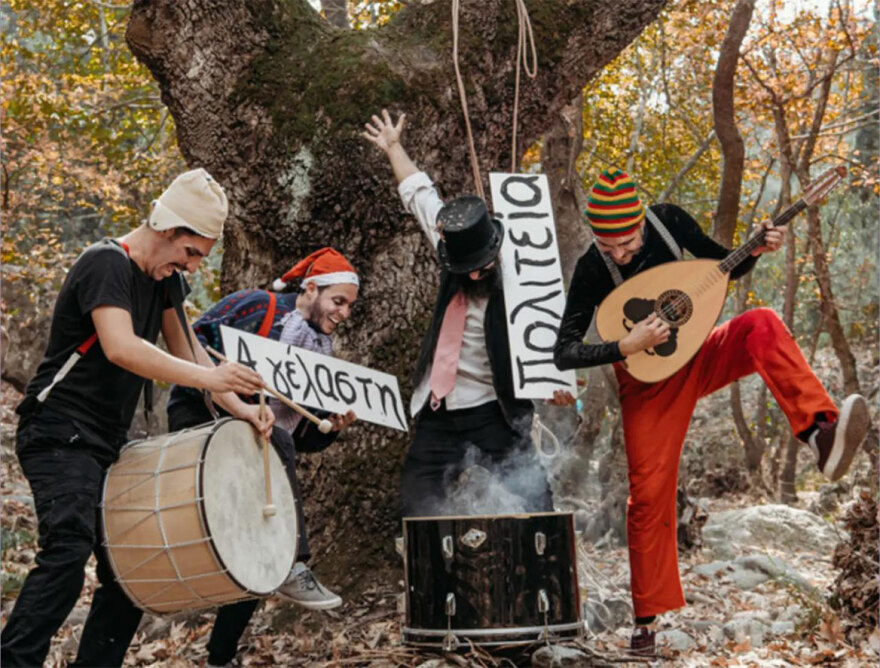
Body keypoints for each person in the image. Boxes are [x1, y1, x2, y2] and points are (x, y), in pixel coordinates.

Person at [553, 167, 870, 655]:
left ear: (641, 220)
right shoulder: (593, 269)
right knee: (648, 496)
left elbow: (721, 266)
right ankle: (646, 625)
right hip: (646, 386)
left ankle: (821, 434)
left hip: (698, 353)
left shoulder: (667, 223)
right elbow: (565, 350)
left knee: (760, 323)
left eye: (627, 241)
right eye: (607, 244)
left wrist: (757, 249)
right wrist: (623, 344)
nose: (618, 252)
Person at [1, 168, 273, 667]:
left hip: (108, 442)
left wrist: (242, 407)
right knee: (67, 548)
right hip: (58, 430)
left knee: (131, 572)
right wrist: (213, 380)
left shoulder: (165, 284)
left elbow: (190, 353)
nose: (189, 266)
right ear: (169, 229)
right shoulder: (106, 263)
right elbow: (122, 347)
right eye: (190, 253)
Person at [165, 247, 358, 667]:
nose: (343, 313)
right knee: (278, 460)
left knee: (257, 549)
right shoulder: (256, 305)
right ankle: (294, 562)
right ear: (311, 288)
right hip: (201, 415)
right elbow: (187, 345)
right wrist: (231, 391)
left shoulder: (319, 355)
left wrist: (331, 427)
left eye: (349, 306)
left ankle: (221, 656)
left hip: (261, 443)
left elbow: (300, 437)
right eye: (337, 301)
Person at [363, 109, 557, 516]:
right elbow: (419, 194)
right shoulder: (453, 245)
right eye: (463, 269)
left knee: (536, 498)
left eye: (481, 267)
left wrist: (557, 384)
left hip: (494, 408)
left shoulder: (522, 272)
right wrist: (394, 148)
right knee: (417, 499)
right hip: (439, 408)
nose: (472, 274)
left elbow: (548, 321)